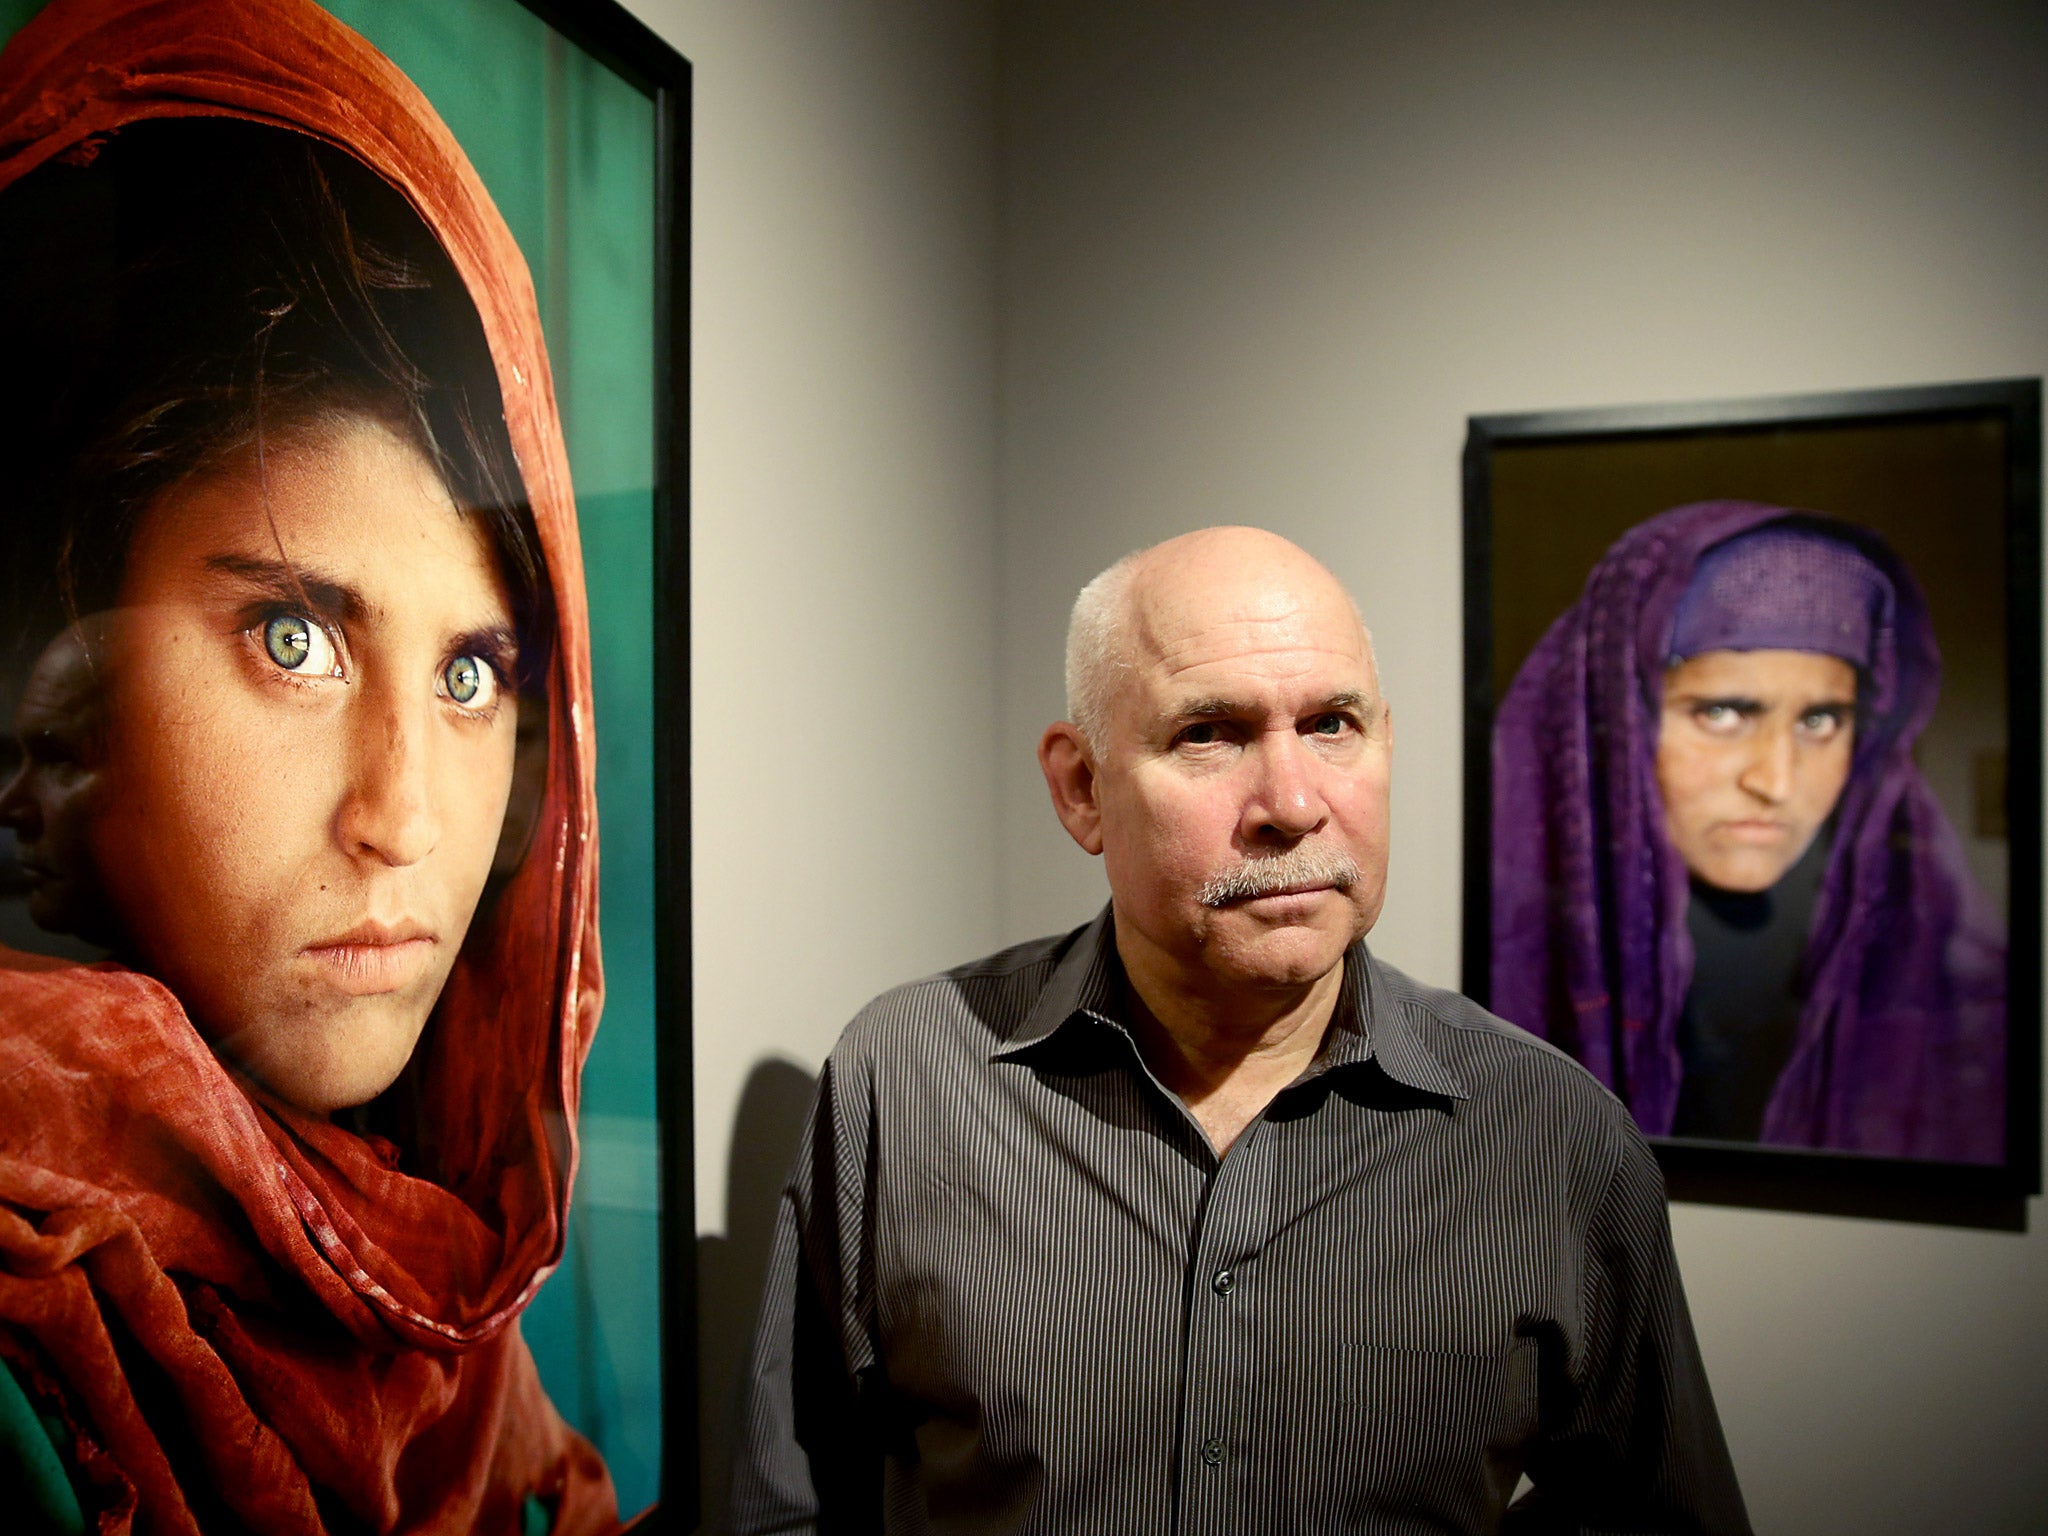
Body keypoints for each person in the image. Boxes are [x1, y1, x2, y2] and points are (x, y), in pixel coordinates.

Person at [732, 527, 1749, 1533]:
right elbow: (795, 1500)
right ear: (1080, 788)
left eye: (1332, 724)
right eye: (1206, 733)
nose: (1294, 803)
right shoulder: (907, 1079)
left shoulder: (1551, 1135)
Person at [0, 1, 615, 1531]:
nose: (406, 817)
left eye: (475, 674)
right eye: (292, 639)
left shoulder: (447, 1306)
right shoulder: (37, 1340)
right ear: (55, 686)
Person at [1490, 501, 2005, 1161]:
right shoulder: (1515, 934)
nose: (1778, 781)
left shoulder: (1921, 944)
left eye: (1821, 721)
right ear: (1618, 720)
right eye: (1724, 712)